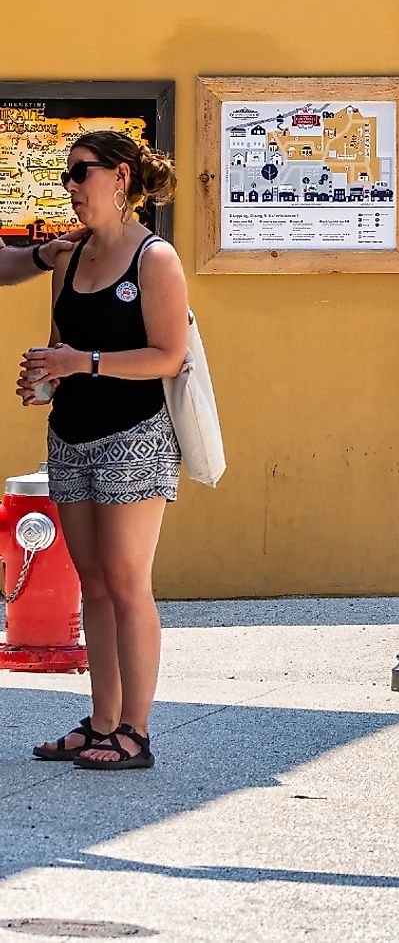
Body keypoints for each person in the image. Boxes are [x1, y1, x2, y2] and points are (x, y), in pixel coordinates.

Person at [18, 132, 188, 771]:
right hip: (71, 436)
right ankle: (101, 722)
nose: (70, 186)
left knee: (126, 580)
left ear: (119, 177)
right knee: (90, 582)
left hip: (133, 436)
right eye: (66, 175)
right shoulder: (69, 257)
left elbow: (167, 356)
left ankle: (136, 732)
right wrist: (46, 377)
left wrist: (82, 362)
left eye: (80, 173)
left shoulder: (155, 258)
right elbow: (63, 342)